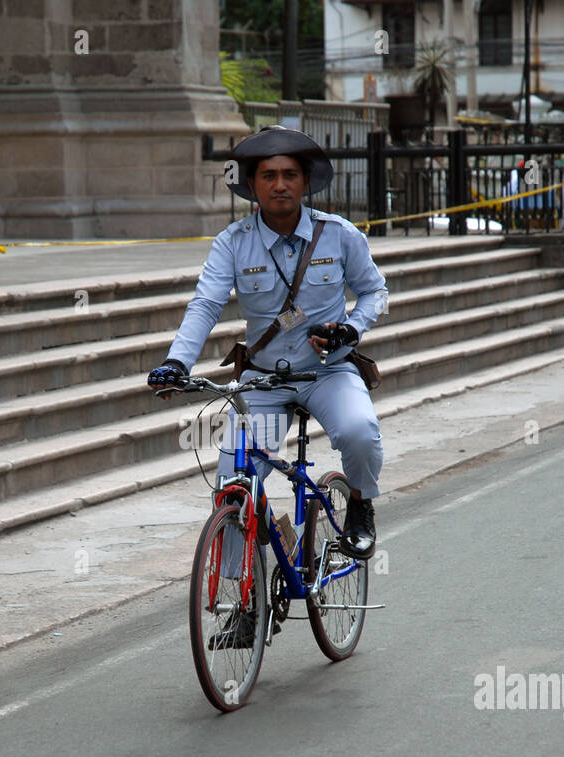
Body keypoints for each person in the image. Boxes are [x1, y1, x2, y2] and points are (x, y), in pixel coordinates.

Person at [146, 128, 387, 645]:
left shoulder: (339, 234)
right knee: (235, 481)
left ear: (305, 183)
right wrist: (175, 361)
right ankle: (243, 603)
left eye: (289, 175)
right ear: (253, 185)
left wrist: (352, 328)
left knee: (361, 431)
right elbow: (206, 304)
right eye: (268, 176)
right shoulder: (233, 242)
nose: (280, 184)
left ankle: (362, 503)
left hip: (327, 373)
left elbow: (373, 291)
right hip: (264, 382)